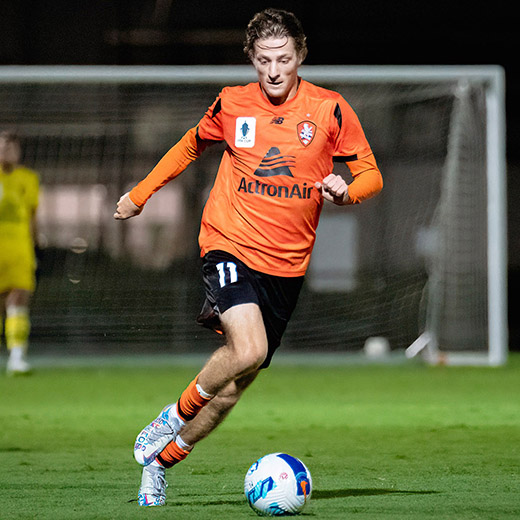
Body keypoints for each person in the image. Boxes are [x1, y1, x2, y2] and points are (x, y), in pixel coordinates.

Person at [114, 8, 383, 507]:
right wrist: (141, 193)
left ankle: (160, 463)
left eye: (283, 59)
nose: (274, 70)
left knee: (236, 387)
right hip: (228, 241)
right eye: (263, 60)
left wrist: (347, 192)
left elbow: (371, 174)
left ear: (300, 55)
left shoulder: (331, 109)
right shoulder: (233, 103)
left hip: (287, 267)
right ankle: (172, 414)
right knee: (250, 348)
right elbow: (188, 146)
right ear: (252, 60)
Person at [0, 130, 40, 375]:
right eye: (3, 147)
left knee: (18, 299)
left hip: (19, 248)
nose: (7, 151)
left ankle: (16, 357)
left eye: (11, 147)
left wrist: (35, 248)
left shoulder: (29, 178)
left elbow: (33, 217)